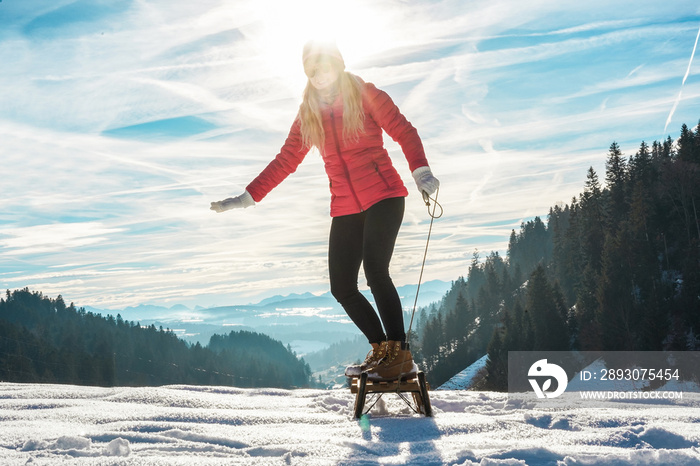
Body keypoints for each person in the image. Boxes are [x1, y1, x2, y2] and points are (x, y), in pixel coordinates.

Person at [210, 40, 439, 381]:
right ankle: (381, 350)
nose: (319, 76)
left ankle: (400, 354)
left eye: (324, 67)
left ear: (338, 64)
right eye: (312, 71)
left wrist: (420, 170)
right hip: (345, 205)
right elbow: (286, 160)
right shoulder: (308, 114)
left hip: (384, 195)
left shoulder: (365, 94)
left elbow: (403, 130)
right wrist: (246, 198)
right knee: (341, 286)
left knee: (376, 270)